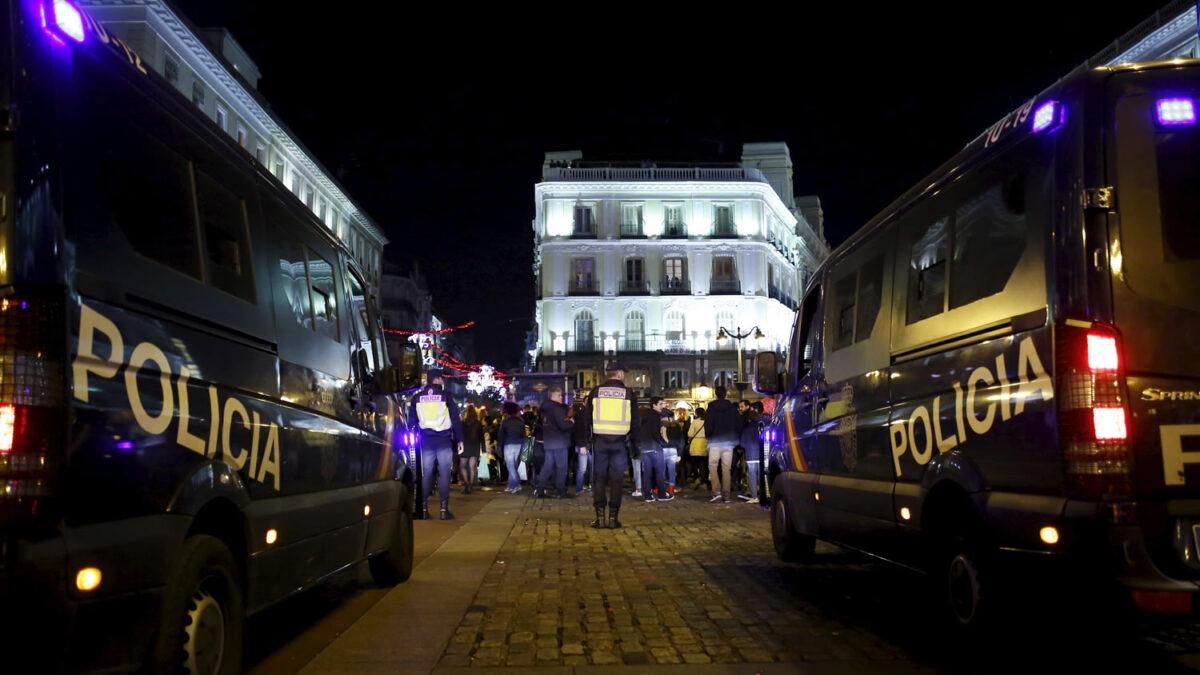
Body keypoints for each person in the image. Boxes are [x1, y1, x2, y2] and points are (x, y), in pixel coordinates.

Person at [584, 362, 639, 528]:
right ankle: (613, 518)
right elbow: (635, 423)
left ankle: (600, 518)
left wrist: (587, 441)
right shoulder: (629, 394)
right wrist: (635, 446)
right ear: (620, 374)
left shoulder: (595, 392)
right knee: (617, 480)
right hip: (620, 443)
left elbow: (587, 419)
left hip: (600, 441)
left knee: (599, 479)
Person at [410, 368, 464, 520]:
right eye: (442, 379)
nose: (443, 381)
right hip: (444, 442)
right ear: (437, 380)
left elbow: (412, 423)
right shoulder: (446, 396)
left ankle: (424, 509)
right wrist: (459, 440)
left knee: (426, 475)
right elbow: (455, 420)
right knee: (444, 474)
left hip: (425, 442)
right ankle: (443, 510)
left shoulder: (417, 398)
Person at [536, 388, 573, 498]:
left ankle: (540, 489)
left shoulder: (545, 409)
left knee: (547, 466)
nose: (561, 397)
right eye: (559, 395)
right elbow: (563, 425)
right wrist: (571, 423)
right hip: (559, 442)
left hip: (549, 441)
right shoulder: (556, 409)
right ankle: (560, 492)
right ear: (553, 397)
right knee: (561, 468)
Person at [705, 386, 739, 503]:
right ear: (726, 395)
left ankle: (717, 492)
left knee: (713, 467)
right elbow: (737, 424)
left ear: (715, 395)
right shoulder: (732, 408)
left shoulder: (711, 408)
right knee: (726, 469)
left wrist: (708, 437)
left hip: (715, 442)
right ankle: (727, 495)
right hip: (729, 443)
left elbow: (708, 425)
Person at [637, 396, 673, 502]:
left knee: (647, 473)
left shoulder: (644, 415)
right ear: (654, 405)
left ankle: (648, 495)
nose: (662, 406)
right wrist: (662, 443)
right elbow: (655, 432)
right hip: (654, 447)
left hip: (644, 447)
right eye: (660, 404)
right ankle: (661, 494)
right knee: (659, 472)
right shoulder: (656, 416)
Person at [738, 400, 763, 504]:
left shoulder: (748, 429)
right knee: (761, 475)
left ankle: (754, 496)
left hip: (751, 455)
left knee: (752, 475)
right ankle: (764, 495)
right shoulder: (762, 425)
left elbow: (743, 443)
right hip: (761, 454)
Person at [498, 401, 527, 493]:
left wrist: (499, 447)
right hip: (518, 444)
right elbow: (524, 435)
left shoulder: (505, 421)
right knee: (514, 466)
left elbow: (501, 435)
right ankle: (511, 485)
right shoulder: (521, 421)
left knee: (510, 466)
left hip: (508, 444)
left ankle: (516, 484)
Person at [459, 404, 485, 494]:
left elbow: (459, 436)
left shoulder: (463, 423)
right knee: (472, 467)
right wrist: (484, 450)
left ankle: (467, 484)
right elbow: (482, 437)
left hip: (465, 446)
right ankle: (470, 484)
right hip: (475, 447)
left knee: (462, 467)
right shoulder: (478, 423)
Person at [664, 407, 688, 495]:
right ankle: (671, 489)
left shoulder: (659, 425)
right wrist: (680, 454)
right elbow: (681, 441)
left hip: (661, 449)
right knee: (672, 471)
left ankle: (661, 489)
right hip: (673, 450)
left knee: (661, 471)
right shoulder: (676, 426)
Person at [571, 399, 592, 494]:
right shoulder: (580, 414)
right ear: (584, 403)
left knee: (591, 468)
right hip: (583, 444)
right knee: (582, 469)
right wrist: (582, 445)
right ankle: (579, 488)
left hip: (592, 445)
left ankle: (590, 486)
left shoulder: (593, 413)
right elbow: (578, 431)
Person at [688, 407, 708, 489]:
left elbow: (690, 434)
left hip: (696, 444)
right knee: (704, 463)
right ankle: (704, 481)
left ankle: (697, 479)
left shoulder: (695, 422)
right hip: (705, 443)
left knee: (695, 463)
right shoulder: (707, 421)